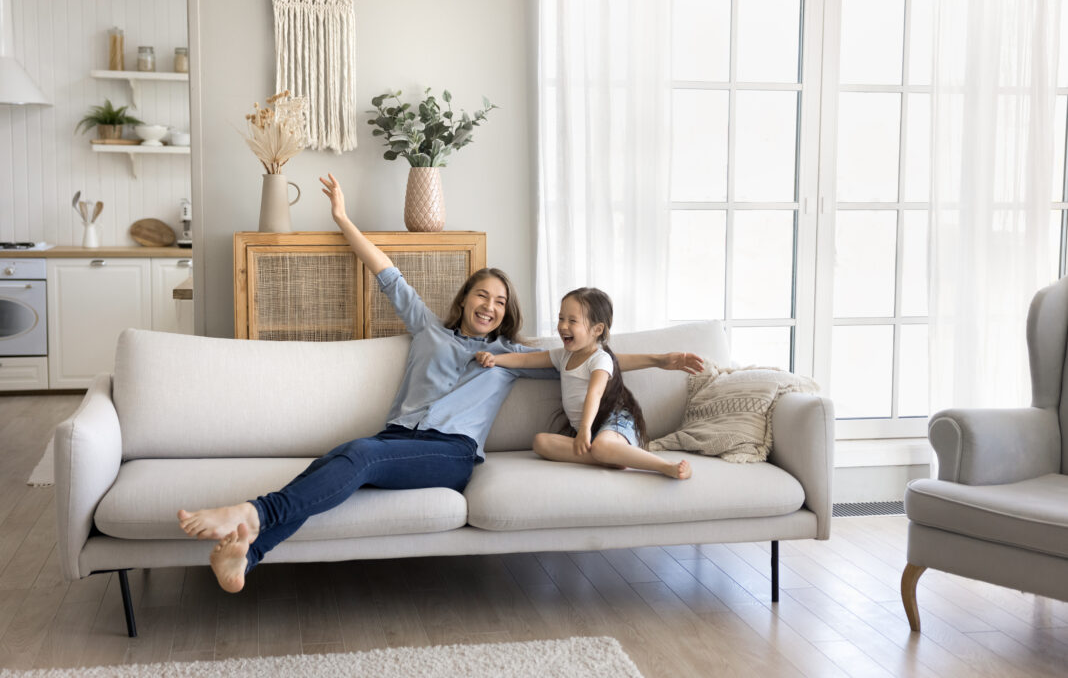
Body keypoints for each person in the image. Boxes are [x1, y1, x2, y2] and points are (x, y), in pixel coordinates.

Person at [179, 173, 703, 593]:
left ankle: (250, 513)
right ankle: (250, 550)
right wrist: (342, 218)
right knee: (340, 456)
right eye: (483, 295)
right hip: (397, 440)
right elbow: (386, 272)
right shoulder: (427, 329)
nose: (490, 306)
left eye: (500, 302)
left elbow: (595, 357)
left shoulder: (516, 356)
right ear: (466, 298)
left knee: (357, 456)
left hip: (449, 454)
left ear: (506, 314)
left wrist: (661, 357)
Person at [475, 287, 692, 480]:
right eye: (561, 319)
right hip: (589, 434)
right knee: (541, 442)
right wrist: (496, 359)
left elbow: (594, 394)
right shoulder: (563, 356)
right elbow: (524, 359)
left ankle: (664, 466)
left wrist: (585, 430)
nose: (562, 326)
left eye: (572, 321)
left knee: (602, 444)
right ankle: (608, 457)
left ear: (597, 330)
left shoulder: (601, 359)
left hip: (614, 424)